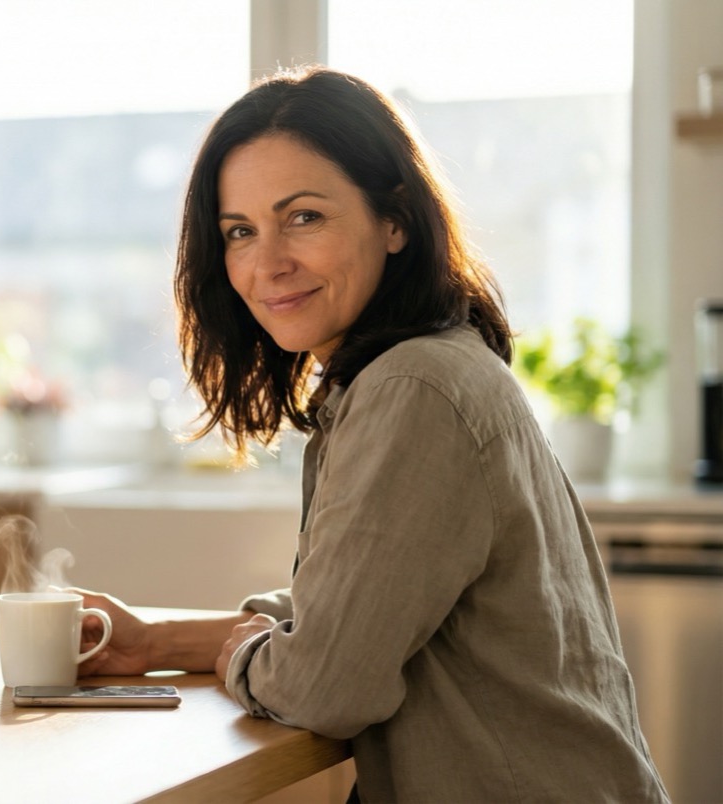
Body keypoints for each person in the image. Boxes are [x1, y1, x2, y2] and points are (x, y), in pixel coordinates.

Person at [73, 66, 669, 803]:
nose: (268, 263)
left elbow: (324, 684)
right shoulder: (420, 368)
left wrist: (245, 660)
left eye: (304, 218)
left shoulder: (411, 389)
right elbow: (355, 612)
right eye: (239, 232)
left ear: (395, 220)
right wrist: (151, 644)